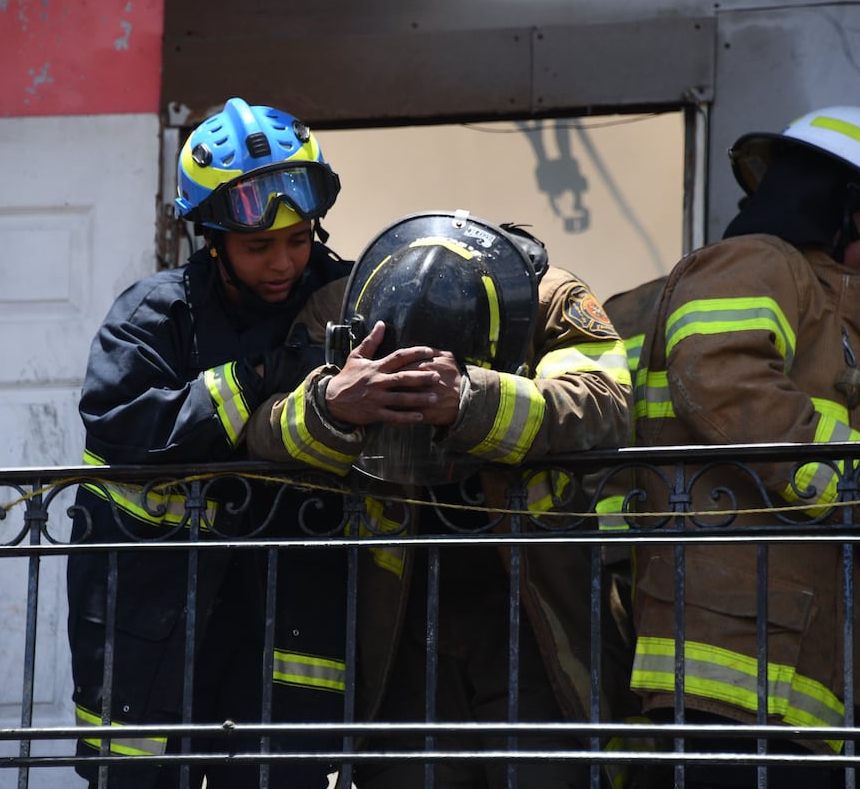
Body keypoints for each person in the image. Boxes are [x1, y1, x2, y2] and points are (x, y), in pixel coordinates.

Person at [625, 105, 860, 788]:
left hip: (799, 697)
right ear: (833, 200)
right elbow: (720, 375)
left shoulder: (830, 323)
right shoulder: (757, 261)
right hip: (726, 682)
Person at [245, 209, 634, 788]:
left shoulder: (547, 299)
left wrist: (471, 400)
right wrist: (331, 404)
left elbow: (605, 407)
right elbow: (260, 426)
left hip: (530, 609)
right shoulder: (343, 305)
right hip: (400, 621)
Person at [65, 97, 353, 788]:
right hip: (156, 618)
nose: (284, 262)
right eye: (258, 247)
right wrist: (260, 377)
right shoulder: (155, 314)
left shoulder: (349, 302)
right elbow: (122, 425)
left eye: (299, 239)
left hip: (289, 619)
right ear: (213, 239)